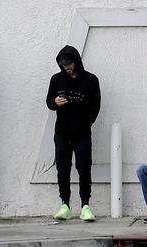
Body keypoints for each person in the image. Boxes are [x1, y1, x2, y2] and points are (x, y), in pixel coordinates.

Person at [46, 45, 101, 222]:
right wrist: (55, 102)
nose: (67, 67)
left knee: (84, 167)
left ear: (76, 61)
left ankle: (85, 204)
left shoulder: (91, 80)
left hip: (82, 132)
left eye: (69, 64)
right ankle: (65, 204)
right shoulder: (56, 79)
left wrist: (87, 122)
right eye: (63, 65)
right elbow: (49, 101)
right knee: (62, 167)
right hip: (62, 131)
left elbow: (96, 104)